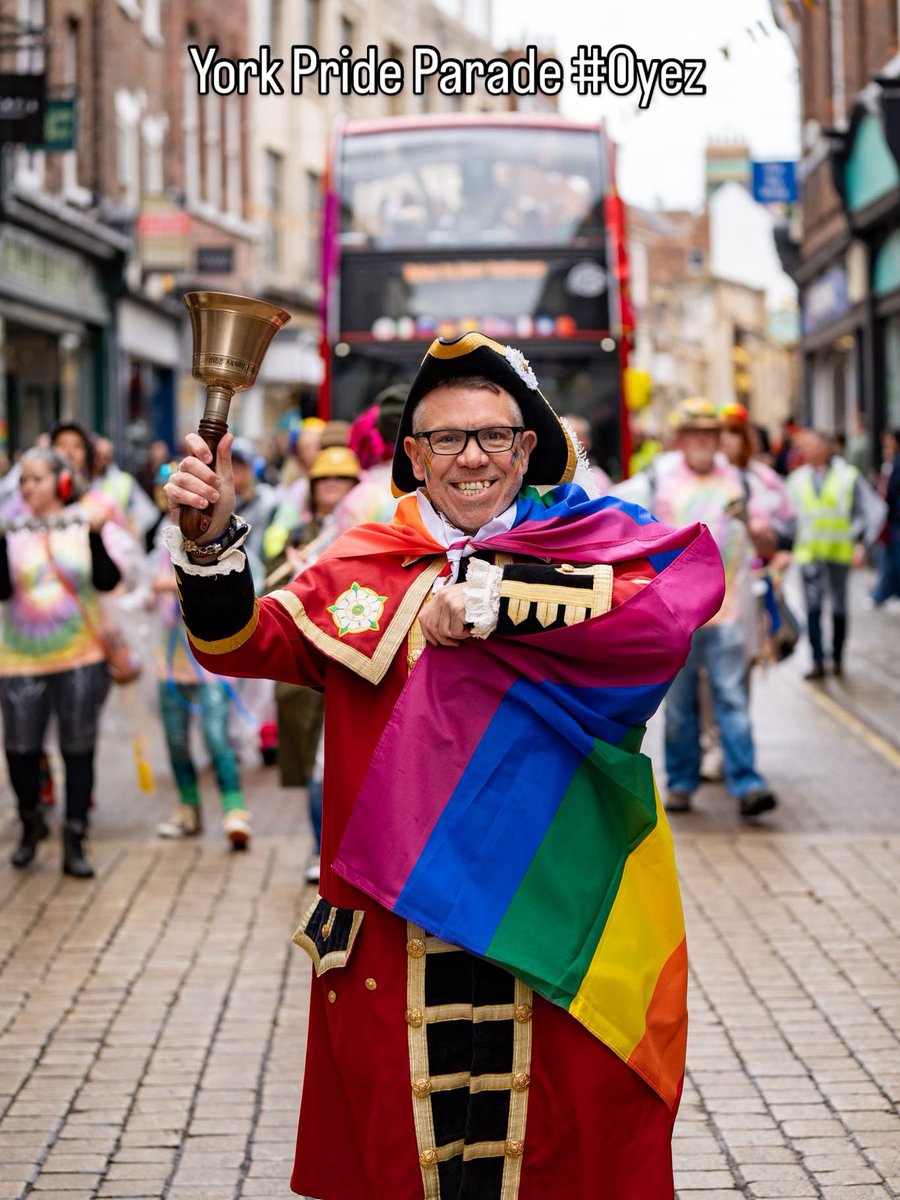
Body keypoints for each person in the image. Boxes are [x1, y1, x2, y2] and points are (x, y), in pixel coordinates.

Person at [163, 332, 724, 1200]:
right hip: (397, 927)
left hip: (545, 910)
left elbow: (674, 602)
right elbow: (240, 640)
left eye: (493, 436)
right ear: (413, 456)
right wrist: (210, 539)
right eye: (447, 439)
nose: (472, 458)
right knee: (404, 1157)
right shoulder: (362, 561)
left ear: (527, 446)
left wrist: (501, 601)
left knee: (553, 1157)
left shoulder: (590, 543)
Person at [614, 397, 779, 818]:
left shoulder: (739, 480)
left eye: (711, 433)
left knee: (732, 698)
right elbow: (619, 524)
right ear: (681, 438)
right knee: (680, 706)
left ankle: (747, 783)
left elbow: (768, 543)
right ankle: (683, 783)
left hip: (729, 614)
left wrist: (760, 531)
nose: (704, 441)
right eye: (696, 433)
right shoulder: (655, 480)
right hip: (677, 618)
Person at [0, 448, 132, 876]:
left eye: (36, 478)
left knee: (78, 749)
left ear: (60, 482)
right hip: (20, 657)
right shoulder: (11, 528)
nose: (27, 488)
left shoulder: (83, 523)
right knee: (20, 750)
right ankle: (30, 823)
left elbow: (110, 580)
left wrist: (94, 536)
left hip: (81, 655)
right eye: (22, 480)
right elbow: (2, 590)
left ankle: (75, 839)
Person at [788, 429, 887, 678]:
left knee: (839, 607)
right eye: (803, 446)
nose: (806, 451)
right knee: (811, 607)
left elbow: (874, 511)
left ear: (826, 447)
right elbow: (788, 518)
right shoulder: (797, 479)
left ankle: (838, 657)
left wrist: (862, 543)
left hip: (839, 554)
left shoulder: (848, 476)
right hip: (809, 554)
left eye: (811, 445)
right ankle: (818, 660)